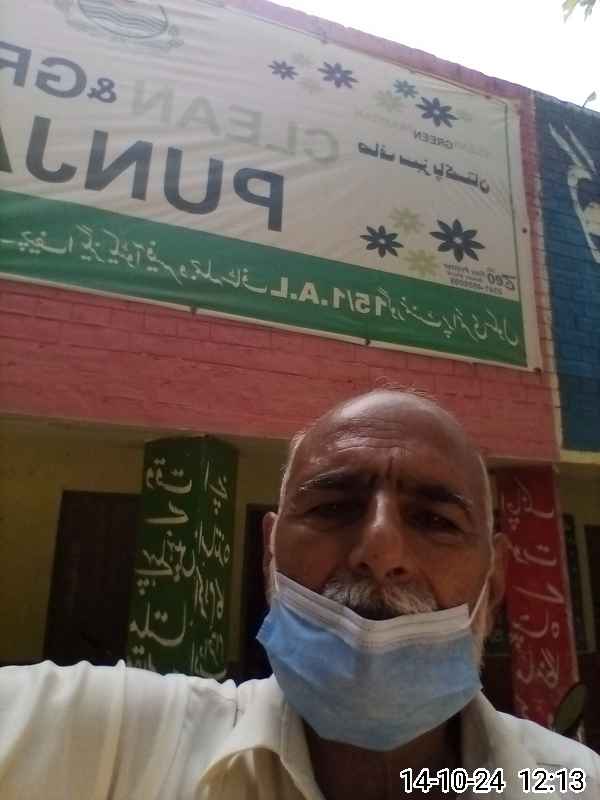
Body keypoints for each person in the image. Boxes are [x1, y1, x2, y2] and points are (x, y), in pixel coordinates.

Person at [0, 389, 598, 799]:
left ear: (493, 586)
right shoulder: (115, 742)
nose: (380, 550)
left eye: (436, 521)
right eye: (333, 507)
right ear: (270, 558)